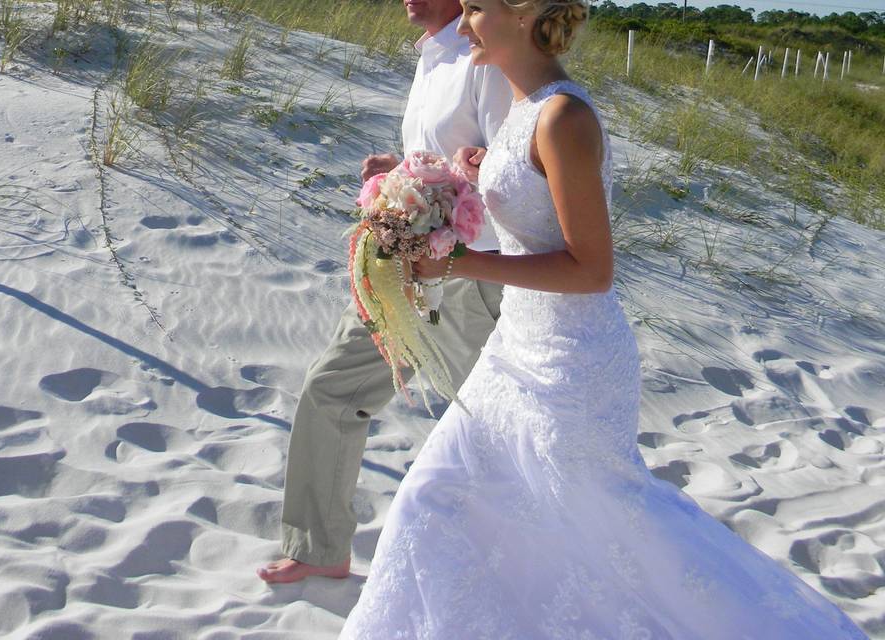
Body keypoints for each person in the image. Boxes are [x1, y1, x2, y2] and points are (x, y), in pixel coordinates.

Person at [339, 0, 869, 638]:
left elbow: (592, 270)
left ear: (523, 14)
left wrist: (462, 266)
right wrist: (451, 184)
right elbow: (527, 209)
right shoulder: (520, 109)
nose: (466, 21)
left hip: (572, 366)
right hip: (514, 350)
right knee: (436, 497)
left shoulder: (564, 117)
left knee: (606, 528)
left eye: (477, 7)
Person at [257, 0, 513, 584]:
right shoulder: (431, 56)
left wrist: (459, 191)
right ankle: (320, 549)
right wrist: (401, 172)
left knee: (488, 423)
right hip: (399, 264)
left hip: (469, 273)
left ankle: (515, 573)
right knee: (331, 387)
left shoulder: (486, 58)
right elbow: (450, 163)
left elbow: (510, 175)